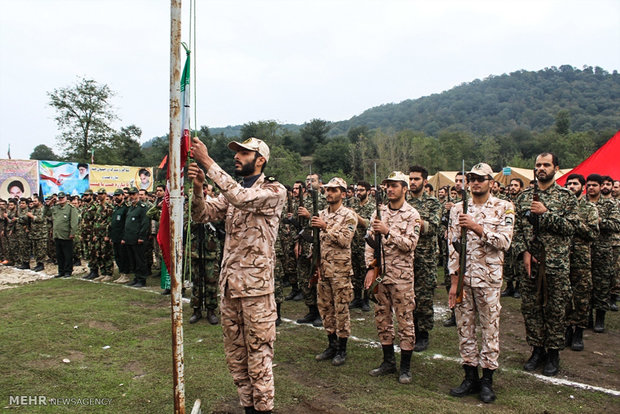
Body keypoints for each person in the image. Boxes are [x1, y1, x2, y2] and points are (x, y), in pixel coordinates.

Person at [189, 136, 285, 414]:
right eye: (237, 152)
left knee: (259, 356)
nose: (237, 156)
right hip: (230, 287)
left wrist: (207, 162)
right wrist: (198, 191)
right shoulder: (231, 191)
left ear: (260, 159)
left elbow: (242, 199)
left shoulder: (274, 190)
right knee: (236, 356)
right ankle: (248, 408)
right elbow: (202, 215)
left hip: (256, 291)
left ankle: (263, 409)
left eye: (244, 153)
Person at [446, 163, 514, 403]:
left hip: (488, 280)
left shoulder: (504, 207)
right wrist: (454, 282)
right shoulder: (456, 209)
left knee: (489, 329)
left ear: (491, 182)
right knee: (464, 329)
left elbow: (505, 241)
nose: (475, 182)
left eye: (480, 179)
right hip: (464, 280)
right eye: (472, 178)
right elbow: (452, 248)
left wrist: (476, 227)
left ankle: (487, 380)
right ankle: (469, 376)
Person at [512, 153, 578, 377]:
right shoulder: (523, 197)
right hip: (531, 263)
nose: (541, 168)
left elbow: (571, 227)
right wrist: (524, 252)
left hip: (555, 263)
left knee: (555, 309)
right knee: (531, 308)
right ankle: (537, 349)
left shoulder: (567, 197)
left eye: (546, 165)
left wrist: (546, 214)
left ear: (556, 168)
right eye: (538, 165)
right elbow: (516, 229)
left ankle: (553, 353)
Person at [365, 171, 420, 384]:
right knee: (382, 319)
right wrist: (370, 268)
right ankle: (388, 361)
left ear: (405, 188)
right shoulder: (378, 212)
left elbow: (410, 244)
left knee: (405, 321)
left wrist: (388, 232)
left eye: (395, 185)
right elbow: (369, 243)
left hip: (402, 277)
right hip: (381, 276)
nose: (390, 189)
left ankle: (405, 367)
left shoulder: (412, 214)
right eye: (388, 185)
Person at [312, 177, 357, 366]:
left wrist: (325, 227)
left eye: (334, 190)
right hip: (324, 269)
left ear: (343, 194)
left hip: (340, 270)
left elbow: (345, 240)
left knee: (341, 309)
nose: (329, 193)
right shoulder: (321, 213)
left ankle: (342, 348)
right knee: (325, 308)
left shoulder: (349, 215)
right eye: (327, 190)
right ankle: (331, 344)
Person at [407, 166, 441, 352]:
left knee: (424, 298)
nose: (413, 182)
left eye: (416, 179)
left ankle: (423, 334)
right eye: (411, 179)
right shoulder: (403, 202)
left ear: (424, 182)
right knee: (407, 297)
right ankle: (410, 331)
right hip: (406, 258)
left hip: (425, 259)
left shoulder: (433, 203)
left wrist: (414, 222)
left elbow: (434, 227)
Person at [564, 174, 598, 351]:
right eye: (569, 184)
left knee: (582, 295)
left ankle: (579, 331)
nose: (571, 186)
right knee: (565, 295)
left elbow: (593, 233)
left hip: (581, 258)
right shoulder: (562, 206)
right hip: (563, 257)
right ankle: (567, 328)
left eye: (575, 184)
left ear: (582, 187)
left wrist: (575, 223)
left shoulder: (589, 208)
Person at [585, 174, 620, 332]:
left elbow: (615, 224)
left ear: (600, 187)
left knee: (602, 284)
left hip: (603, 250)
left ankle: (600, 317)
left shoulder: (610, 205)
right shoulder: (582, 203)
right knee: (585, 285)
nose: (591, 188)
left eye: (594, 185)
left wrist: (598, 221)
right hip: (584, 250)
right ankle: (587, 318)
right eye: (589, 185)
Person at [296, 173, 327, 326]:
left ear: (320, 183)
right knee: (304, 278)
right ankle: (311, 310)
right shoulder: (304, 199)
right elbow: (300, 225)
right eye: (307, 180)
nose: (308, 182)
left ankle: (321, 313)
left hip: (318, 243)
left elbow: (325, 221)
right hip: (304, 242)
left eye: (312, 180)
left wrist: (309, 216)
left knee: (318, 279)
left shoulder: (324, 200)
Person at [349, 181, 374, 312]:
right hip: (353, 244)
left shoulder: (372, 207)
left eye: (361, 190)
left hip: (366, 246)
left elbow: (367, 223)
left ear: (368, 192)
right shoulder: (353, 204)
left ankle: (366, 299)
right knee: (355, 273)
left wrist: (355, 215)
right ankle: (357, 297)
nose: (358, 193)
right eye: (357, 190)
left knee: (366, 272)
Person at [45, 192, 79, 277]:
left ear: (66, 198)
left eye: (62, 198)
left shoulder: (71, 208)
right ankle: (61, 271)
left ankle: (68, 271)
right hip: (57, 235)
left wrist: (72, 233)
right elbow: (46, 213)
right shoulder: (56, 208)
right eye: (59, 198)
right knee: (59, 255)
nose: (61, 199)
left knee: (67, 255)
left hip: (66, 235)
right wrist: (48, 204)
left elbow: (74, 222)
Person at [122, 187, 150, 287]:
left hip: (138, 239)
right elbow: (127, 224)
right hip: (130, 238)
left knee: (140, 260)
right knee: (133, 260)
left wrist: (141, 237)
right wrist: (125, 237)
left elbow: (145, 223)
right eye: (130, 195)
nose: (132, 196)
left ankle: (142, 279)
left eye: (133, 194)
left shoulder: (142, 207)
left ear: (138, 194)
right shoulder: (130, 208)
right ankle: (136, 277)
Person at [501, 178, 524, 298]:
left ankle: (518, 287)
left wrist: (515, 209)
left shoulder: (523, 200)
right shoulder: (505, 201)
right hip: (507, 236)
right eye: (511, 185)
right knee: (507, 264)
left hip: (519, 237)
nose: (513, 187)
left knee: (519, 265)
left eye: (516, 185)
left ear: (520, 187)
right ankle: (509, 286)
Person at [110, 189, 131, 284]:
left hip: (122, 237)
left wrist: (124, 237)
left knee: (123, 256)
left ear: (123, 196)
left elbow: (126, 224)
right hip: (115, 236)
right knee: (117, 256)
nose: (116, 197)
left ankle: (125, 275)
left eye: (118, 195)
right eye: (115, 195)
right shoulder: (115, 208)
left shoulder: (126, 208)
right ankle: (121, 273)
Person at [27, 196, 47, 272]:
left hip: (41, 233)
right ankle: (38, 263)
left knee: (41, 249)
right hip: (34, 233)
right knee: (35, 249)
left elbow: (40, 219)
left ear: (39, 202)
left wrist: (31, 216)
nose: (33, 202)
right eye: (33, 201)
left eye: (35, 201)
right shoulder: (33, 209)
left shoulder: (43, 209)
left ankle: (41, 264)